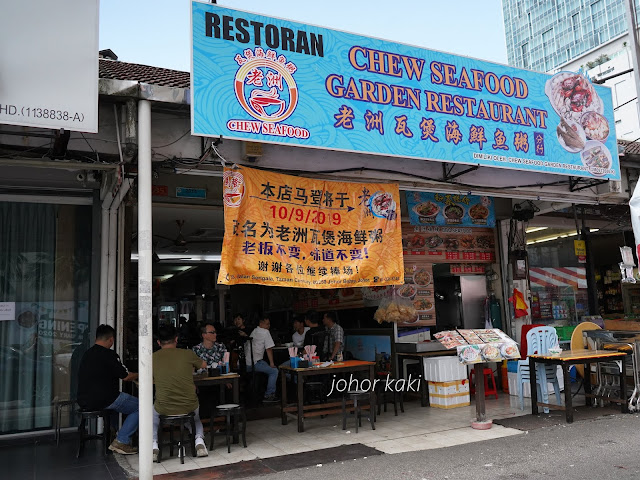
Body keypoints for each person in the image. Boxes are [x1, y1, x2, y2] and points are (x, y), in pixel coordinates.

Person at [77, 324, 139, 455]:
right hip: (106, 399)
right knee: (142, 407)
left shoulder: (87, 354)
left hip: (84, 400)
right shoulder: (109, 354)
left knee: (116, 407)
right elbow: (126, 376)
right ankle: (121, 441)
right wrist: (141, 373)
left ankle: (116, 434)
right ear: (111, 339)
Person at [152, 325, 208, 462]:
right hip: (189, 405)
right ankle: (199, 441)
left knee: (151, 417)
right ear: (176, 339)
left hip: (163, 407)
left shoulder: (152, 357)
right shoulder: (187, 354)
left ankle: (153, 445)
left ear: (158, 342)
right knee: (195, 419)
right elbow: (204, 365)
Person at [246, 317, 279, 402]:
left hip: (247, 364)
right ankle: (269, 395)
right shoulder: (265, 332)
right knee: (274, 371)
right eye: (267, 324)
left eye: (269, 324)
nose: (269, 326)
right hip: (255, 364)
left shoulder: (254, 331)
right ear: (261, 323)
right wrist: (272, 363)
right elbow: (269, 349)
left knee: (266, 365)